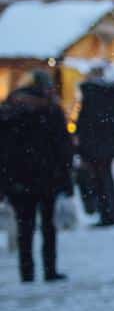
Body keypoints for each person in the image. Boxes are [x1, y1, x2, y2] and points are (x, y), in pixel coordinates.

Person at [0, 70, 74, 282]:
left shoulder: (11, 110)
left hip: (19, 178)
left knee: (25, 226)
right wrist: (66, 178)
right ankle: (49, 269)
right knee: (48, 226)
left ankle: (27, 271)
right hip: (46, 177)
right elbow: (63, 148)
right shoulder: (50, 109)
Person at [75, 63, 114, 226]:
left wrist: (83, 145)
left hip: (95, 145)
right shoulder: (111, 93)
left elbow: (87, 122)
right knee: (105, 180)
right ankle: (110, 213)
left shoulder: (92, 94)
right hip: (106, 144)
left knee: (100, 181)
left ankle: (106, 214)